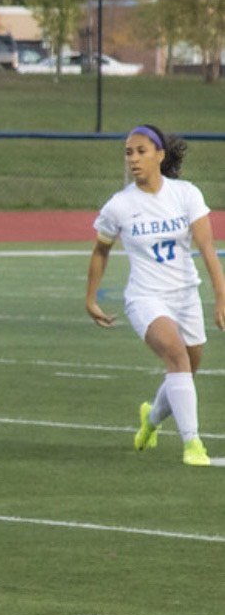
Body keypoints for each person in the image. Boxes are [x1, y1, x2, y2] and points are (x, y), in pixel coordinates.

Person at [86, 124, 225, 467]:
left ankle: (149, 420)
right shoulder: (119, 206)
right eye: (128, 152)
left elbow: (208, 249)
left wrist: (220, 297)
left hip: (186, 295)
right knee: (176, 355)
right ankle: (193, 445)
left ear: (160, 155)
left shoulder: (186, 194)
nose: (133, 159)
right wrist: (90, 298)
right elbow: (100, 251)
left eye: (141, 151)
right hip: (146, 298)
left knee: (185, 371)